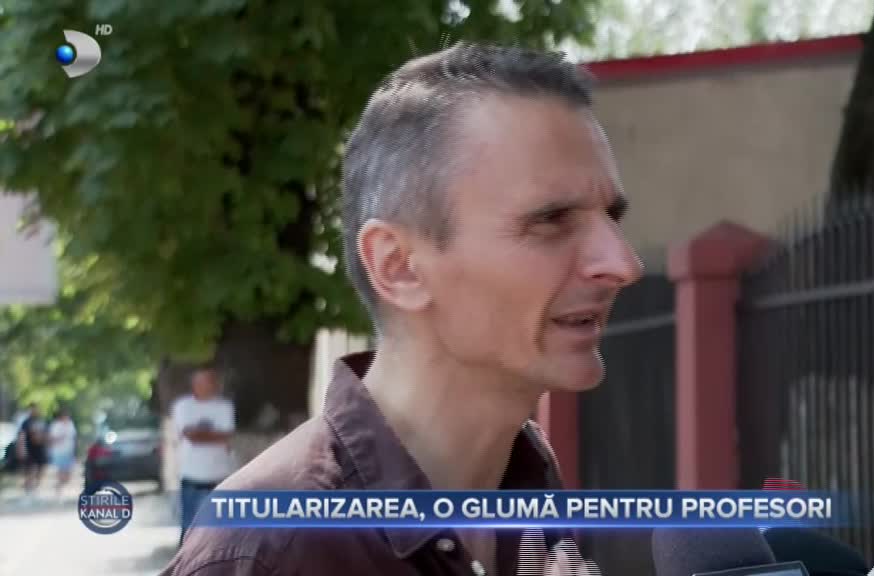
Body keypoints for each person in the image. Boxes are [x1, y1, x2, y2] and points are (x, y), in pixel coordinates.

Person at [161, 42, 641, 576]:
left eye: (611, 217)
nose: (622, 263)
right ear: (398, 266)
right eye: (551, 220)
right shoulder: (272, 552)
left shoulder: (528, 485)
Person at [170, 365, 236, 547]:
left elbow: (226, 435)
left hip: (220, 477)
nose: (212, 385)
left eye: (213, 381)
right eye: (207, 381)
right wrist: (214, 435)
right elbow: (190, 435)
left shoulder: (224, 406)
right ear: (195, 384)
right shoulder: (183, 406)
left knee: (222, 531)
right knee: (190, 527)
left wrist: (200, 434)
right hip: (192, 476)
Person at [16, 403, 48, 497]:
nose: (34, 411)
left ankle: (36, 486)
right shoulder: (26, 422)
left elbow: (46, 434)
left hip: (40, 448)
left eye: (35, 409)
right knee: (29, 469)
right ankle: (28, 488)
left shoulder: (42, 421)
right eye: (32, 409)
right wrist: (21, 449)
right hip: (29, 448)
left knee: (41, 467)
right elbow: (21, 435)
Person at [48, 406, 77, 500]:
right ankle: (58, 493)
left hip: (69, 451)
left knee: (68, 474)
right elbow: (51, 438)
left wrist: (74, 452)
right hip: (58, 452)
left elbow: (73, 438)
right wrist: (61, 437)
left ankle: (57, 486)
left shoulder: (71, 424)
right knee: (60, 472)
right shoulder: (56, 425)